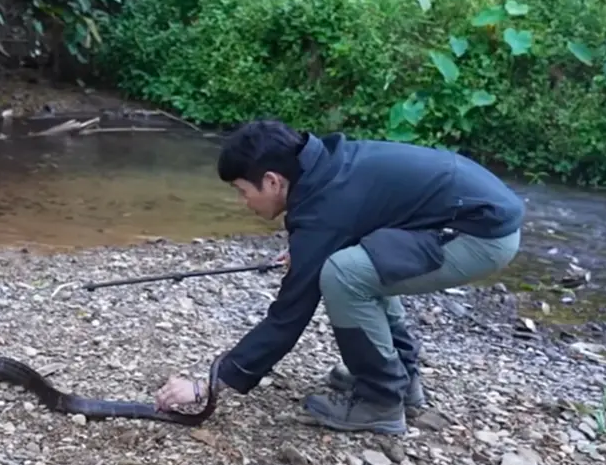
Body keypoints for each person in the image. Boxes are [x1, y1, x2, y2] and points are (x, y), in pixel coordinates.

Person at [153, 120, 525, 435]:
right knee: (352, 263)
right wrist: (310, 250)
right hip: (472, 217)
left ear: (271, 181)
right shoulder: (325, 169)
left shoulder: (324, 206)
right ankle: (400, 380)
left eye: (242, 191)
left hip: (482, 235)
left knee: (344, 274)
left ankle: (380, 401)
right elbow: (352, 217)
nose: (242, 202)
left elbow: (288, 316)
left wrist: (211, 384)